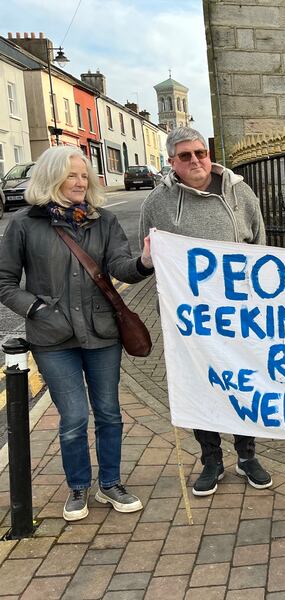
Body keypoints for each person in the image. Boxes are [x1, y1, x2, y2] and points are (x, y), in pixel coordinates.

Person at [0, 146, 154, 521]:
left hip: (102, 333)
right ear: (52, 177)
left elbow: (119, 265)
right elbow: (5, 282)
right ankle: (78, 486)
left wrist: (144, 262)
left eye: (84, 175)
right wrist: (37, 310)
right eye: (72, 175)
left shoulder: (102, 222)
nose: (80, 182)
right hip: (53, 340)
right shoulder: (24, 224)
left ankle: (111, 483)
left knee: (109, 413)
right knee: (72, 417)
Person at [139, 126, 272, 497]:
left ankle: (247, 456)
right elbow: (151, 257)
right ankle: (211, 459)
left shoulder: (240, 192)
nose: (196, 160)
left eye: (201, 152)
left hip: (238, 313)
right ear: (171, 162)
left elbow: (260, 246)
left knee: (242, 383)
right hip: (192, 319)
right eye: (185, 156)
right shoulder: (157, 203)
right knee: (201, 385)